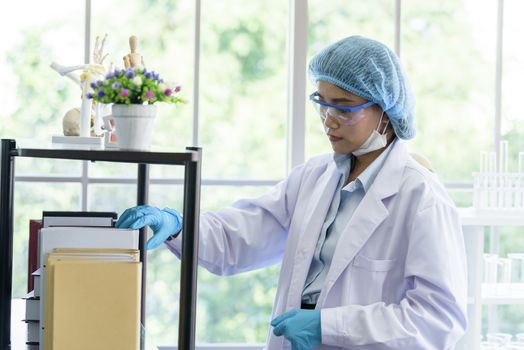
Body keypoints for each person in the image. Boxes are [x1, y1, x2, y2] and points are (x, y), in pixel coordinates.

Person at [116, 35, 468, 350]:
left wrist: (329, 326)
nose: (328, 120)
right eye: (322, 103)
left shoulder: (421, 197)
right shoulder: (315, 177)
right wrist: (177, 225)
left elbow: (437, 321)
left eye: (343, 108)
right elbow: (241, 238)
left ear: (385, 112)